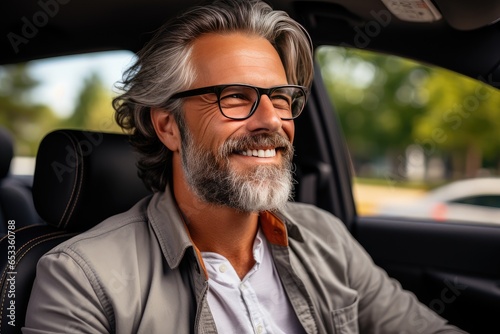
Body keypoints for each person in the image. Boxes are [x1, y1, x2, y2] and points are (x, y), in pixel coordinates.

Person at [24, 0, 466, 333]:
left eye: (280, 98)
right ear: (168, 126)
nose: (272, 120)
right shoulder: (82, 279)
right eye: (235, 97)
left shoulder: (325, 237)